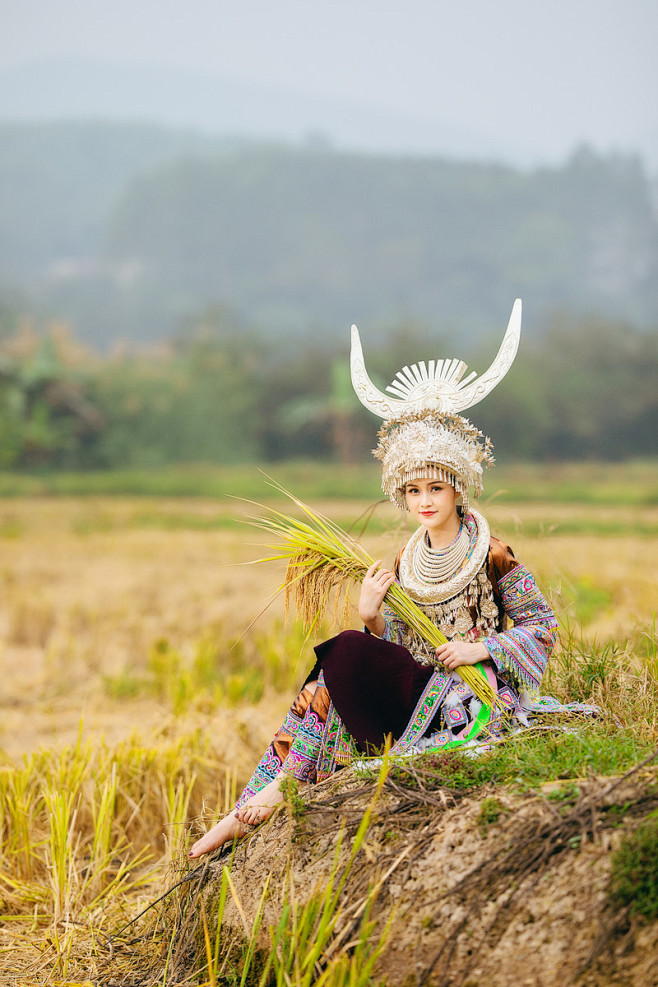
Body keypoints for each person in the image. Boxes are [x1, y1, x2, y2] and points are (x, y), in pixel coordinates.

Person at [189, 301, 593, 858]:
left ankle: (270, 797)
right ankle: (267, 793)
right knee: (344, 654)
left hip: (467, 700)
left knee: (346, 666)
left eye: (435, 489)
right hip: (418, 685)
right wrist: (372, 616)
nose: (424, 501)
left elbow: (542, 628)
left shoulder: (492, 554)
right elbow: (400, 650)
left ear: (458, 489)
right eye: (413, 491)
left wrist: (478, 648)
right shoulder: (405, 562)